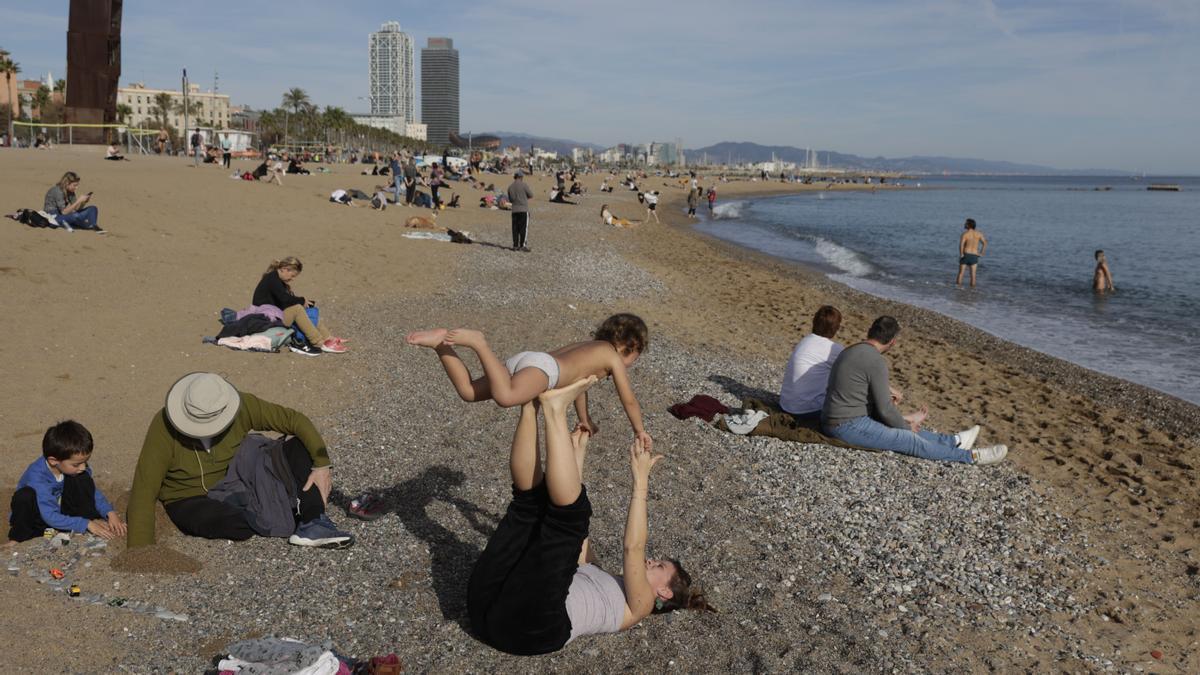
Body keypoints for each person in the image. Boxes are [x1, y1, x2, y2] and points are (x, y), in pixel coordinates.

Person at [468, 378, 712, 655]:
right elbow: (574, 532)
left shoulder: (640, 606)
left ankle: (555, 410)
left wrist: (641, 480)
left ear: (664, 593)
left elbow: (633, 547)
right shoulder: (596, 570)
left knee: (570, 516)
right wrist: (577, 454)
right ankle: (529, 404)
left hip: (530, 629)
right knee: (532, 504)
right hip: (486, 609)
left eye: (658, 567)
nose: (651, 560)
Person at [126, 373, 354, 549]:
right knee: (236, 526)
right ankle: (283, 510)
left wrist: (322, 465)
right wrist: (141, 549)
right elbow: (145, 487)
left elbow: (294, 420)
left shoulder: (240, 405)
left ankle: (313, 522)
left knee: (299, 447)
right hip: (188, 497)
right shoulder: (163, 426)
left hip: (238, 474)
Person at [405, 313, 653, 448]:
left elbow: (580, 388)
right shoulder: (612, 357)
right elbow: (628, 400)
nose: (632, 363)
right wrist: (639, 430)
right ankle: (479, 343)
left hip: (532, 360)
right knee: (506, 397)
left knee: (469, 392)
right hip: (545, 370)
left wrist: (584, 419)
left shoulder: (590, 348)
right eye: (636, 356)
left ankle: (441, 345)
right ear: (630, 346)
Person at [821, 316, 1007, 465]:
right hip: (846, 425)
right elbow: (885, 409)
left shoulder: (851, 350)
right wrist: (905, 426)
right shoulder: (875, 360)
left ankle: (953, 441)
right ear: (892, 342)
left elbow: (864, 396)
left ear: (870, 331)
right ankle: (971, 457)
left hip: (840, 418)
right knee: (908, 439)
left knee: (901, 428)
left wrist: (902, 420)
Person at [7, 420, 126, 543]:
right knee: (25, 496)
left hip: (60, 512)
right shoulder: (37, 477)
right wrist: (86, 524)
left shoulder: (70, 467)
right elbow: (49, 515)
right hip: (40, 518)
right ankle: (17, 538)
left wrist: (109, 512)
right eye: (77, 464)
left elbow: (92, 491)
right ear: (53, 461)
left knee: (82, 478)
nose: (83, 467)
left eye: (85, 462)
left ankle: (85, 520)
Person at [252, 257, 348, 355]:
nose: (292, 279)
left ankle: (328, 338)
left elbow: (284, 300)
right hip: (265, 320)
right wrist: (302, 300)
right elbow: (285, 299)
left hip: (271, 315)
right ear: (285, 268)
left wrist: (304, 302)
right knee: (297, 309)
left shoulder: (276, 279)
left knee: (306, 311)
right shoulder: (272, 279)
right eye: (292, 275)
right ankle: (319, 342)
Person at [779, 306, 845, 421]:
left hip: (785, 404)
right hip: (804, 411)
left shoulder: (805, 340)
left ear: (814, 322)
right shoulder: (834, 349)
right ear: (836, 328)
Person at [507, 170, 535, 252]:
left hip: (514, 210)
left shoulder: (510, 187)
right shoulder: (524, 185)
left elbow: (511, 199)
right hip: (523, 209)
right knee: (523, 228)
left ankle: (515, 245)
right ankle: (522, 245)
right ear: (521, 177)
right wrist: (523, 198)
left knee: (515, 228)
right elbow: (531, 195)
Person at [955, 218, 988, 287]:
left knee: (961, 273)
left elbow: (961, 245)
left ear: (969, 225)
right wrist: (982, 253)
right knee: (973, 275)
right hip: (974, 256)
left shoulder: (965, 234)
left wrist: (961, 254)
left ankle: (958, 288)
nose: (964, 224)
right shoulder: (979, 234)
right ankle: (972, 291)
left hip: (966, 255)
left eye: (966, 223)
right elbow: (985, 243)